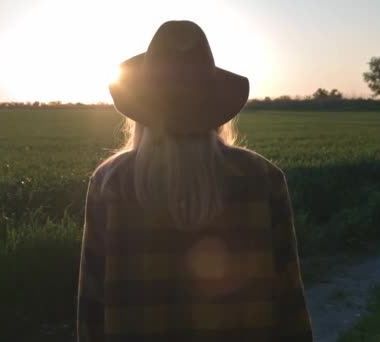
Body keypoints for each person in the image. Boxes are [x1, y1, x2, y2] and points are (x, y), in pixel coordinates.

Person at [77, 20, 313, 341]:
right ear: (214, 104)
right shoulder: (262, 179)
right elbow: (288, 297)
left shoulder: (110, 183)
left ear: (142, 107)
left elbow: (92, 304)